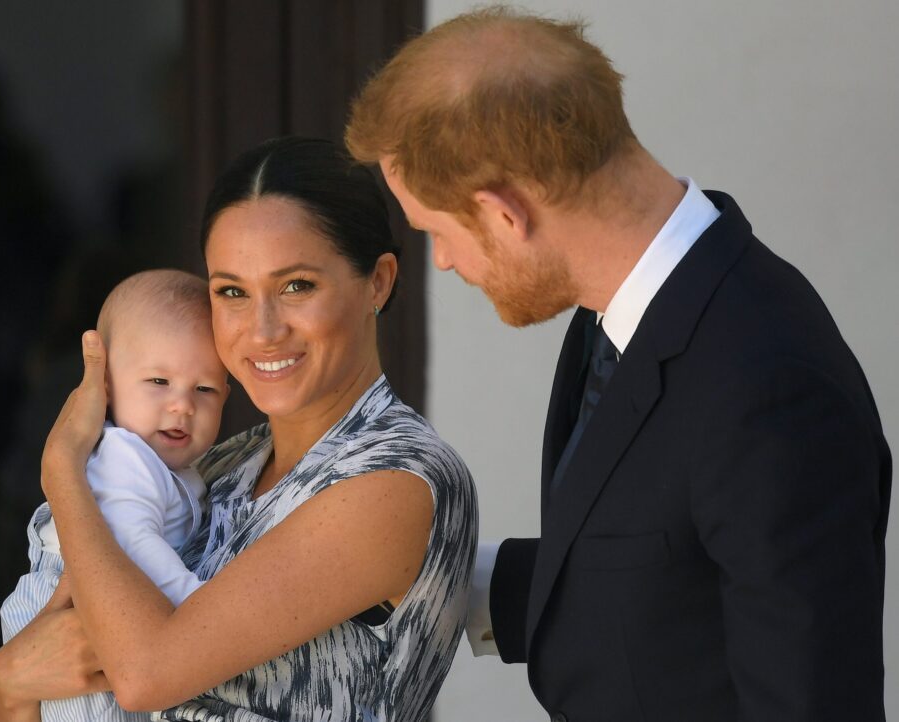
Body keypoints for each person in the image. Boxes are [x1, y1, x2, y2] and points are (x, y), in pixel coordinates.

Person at [345, 7, 891, 721]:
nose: (443, 261)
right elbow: (657, 576)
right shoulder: (624, 311)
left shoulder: (770, 385)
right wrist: (416, 572)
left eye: (437, 233)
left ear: (504, 213)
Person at [0, 137, 478, 722]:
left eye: (297, 285)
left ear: (378, 281)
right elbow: (54, 685)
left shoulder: (395, 477)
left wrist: (62, 470)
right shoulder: (216, 468)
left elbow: (144, 676)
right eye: (232, 292)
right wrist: (8, 683)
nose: (263, 330)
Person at [0, 269, 228, 721]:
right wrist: (201, 613)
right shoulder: (125, 456)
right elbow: (134, 543)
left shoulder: (178, 468)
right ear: (103, 387)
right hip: (70, 615)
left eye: (204, 389)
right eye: (159, 382)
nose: (182, 404)